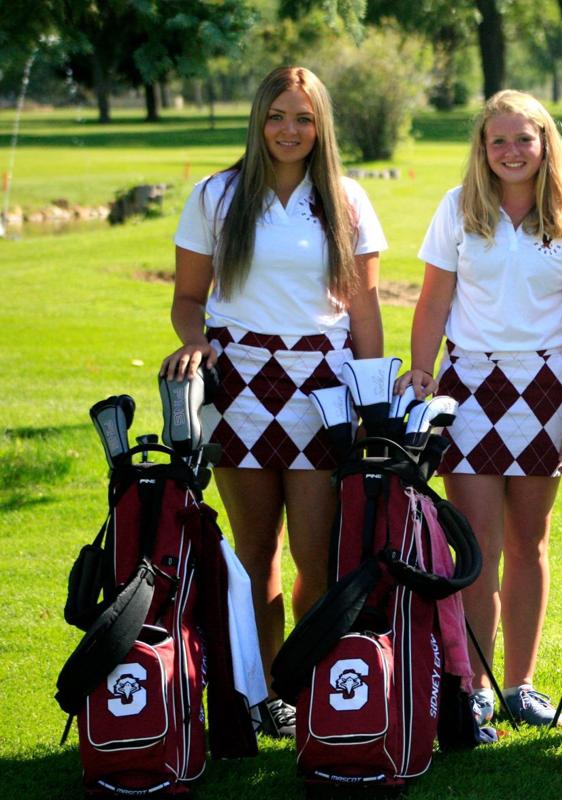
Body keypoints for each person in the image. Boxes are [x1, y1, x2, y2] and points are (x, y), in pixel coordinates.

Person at [160, 66, 387, 738]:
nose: (290, 130)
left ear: (322, 127)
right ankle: (262, 697)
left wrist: (373, 398)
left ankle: (310, 685)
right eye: (278, 116)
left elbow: (366, 309)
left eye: (304, 118)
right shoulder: (215, 195)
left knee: (317, 559)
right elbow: (186, 300)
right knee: (255, 554)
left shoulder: (347, 200)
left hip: (322, 390)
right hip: (240, 388)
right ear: (259, 120)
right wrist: (196, 345)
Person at [400, 90, 562, 728]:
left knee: (530, 542)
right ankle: (476, 684)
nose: (512, 151)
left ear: (545, 143)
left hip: (547, 384)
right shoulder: (458, 208)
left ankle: (521, 685)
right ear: (482, 149)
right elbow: (433, 300)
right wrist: (423, 371)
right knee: (477, 545)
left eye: (524, 139)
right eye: (499, 141)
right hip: (469, 386)